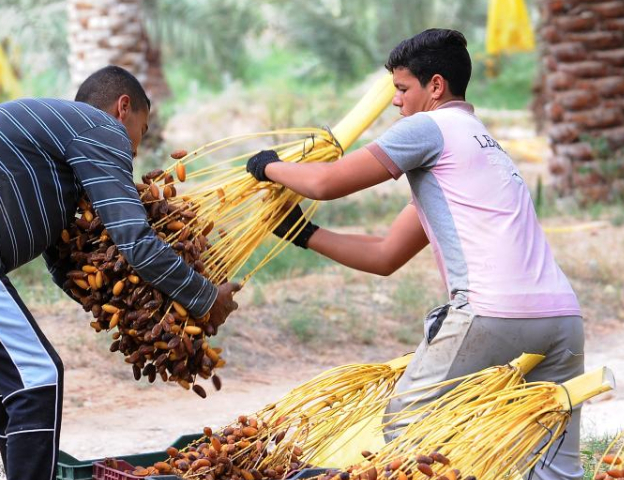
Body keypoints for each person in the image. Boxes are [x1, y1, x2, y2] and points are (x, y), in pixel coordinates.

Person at [246, 29, 584, 480]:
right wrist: (303, 234)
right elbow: (386, 255)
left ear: (436, 87)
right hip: (562, 319)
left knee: (408, 429)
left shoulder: (429, 127)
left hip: (492, 311)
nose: (396, 102)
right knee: (552, 464)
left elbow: (325, 184)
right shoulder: (480, 147)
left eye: (402, 89)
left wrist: (268, 165)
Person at [0, 65, 240, 480]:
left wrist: (129, 312)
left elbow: (62, 261)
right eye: (140, 134)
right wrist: (203, 297)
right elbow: (135, 240)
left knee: (10, 384)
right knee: (38, 377)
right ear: (122, 108)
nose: (133, 154)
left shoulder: (61, 147)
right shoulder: (99, 128)